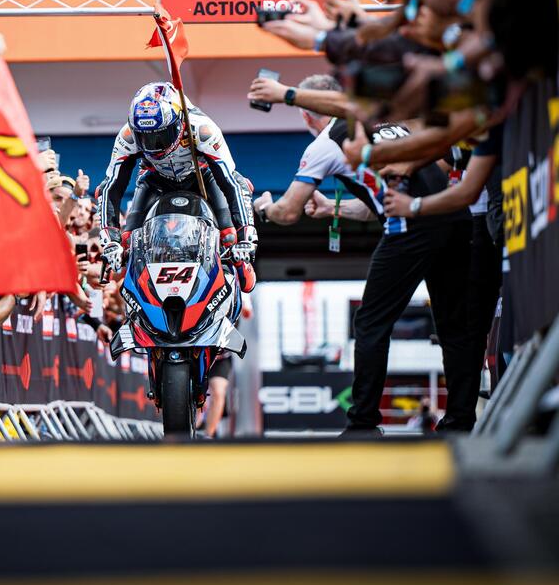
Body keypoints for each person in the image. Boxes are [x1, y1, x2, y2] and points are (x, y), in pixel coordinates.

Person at [250, 73, 476, 434]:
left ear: (307, 114)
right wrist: (332, 209)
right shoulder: (384, 122)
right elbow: (379, 202)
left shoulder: (324, 144)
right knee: (454, 327)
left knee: (370, 323)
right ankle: (460, 422)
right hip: (453, 216)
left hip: (411, 224)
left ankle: (363, 423)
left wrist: (264, 208)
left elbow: (288, 212)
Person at [97, 81, 257, 276]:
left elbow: (231, 182)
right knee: (128, 239)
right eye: (145, 137)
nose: (154, 144)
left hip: (203, 176)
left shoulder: (203, 129)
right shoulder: (128, 136)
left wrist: (245, 237)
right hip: (154, 178)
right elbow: (110, 188)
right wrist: (110, 241)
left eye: (162, 135)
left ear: (179, 121)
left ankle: (241, 267)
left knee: (229, 235)